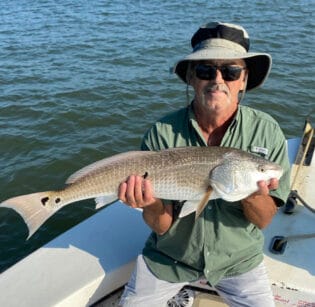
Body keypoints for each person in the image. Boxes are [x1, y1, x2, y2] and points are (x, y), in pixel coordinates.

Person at [118, 21, 290, 307]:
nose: (218, 79)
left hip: (238, 260)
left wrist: (251, 190)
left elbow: (263, 220)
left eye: (231, 71)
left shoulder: (267, 131)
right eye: (205, 70)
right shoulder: (162, 133)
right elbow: (161, 226)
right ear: (191, 78)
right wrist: (148, 203)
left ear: (244, 80)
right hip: (169, 259)